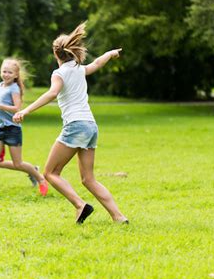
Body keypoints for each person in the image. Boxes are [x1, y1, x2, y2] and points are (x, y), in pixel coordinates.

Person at [13, 22, 128, 224]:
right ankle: (119, 217)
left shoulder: (59, 73)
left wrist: (26, 110)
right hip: (91, 127)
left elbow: (52, 93)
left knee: (50, 172)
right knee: (88, 179)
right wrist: (110, 54)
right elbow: (97, 63)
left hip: (75, 126)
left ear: (56, 54)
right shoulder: (78, 69)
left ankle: (80, 205)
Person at [0, 59, 48, 199]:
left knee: (18, 163)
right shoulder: (0, 85)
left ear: (15, 75)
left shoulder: (14, 88)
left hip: (13, 129)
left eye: (9, 72)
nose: (6, 74)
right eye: (4, 71)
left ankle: (40, 178)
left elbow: (17, 109)